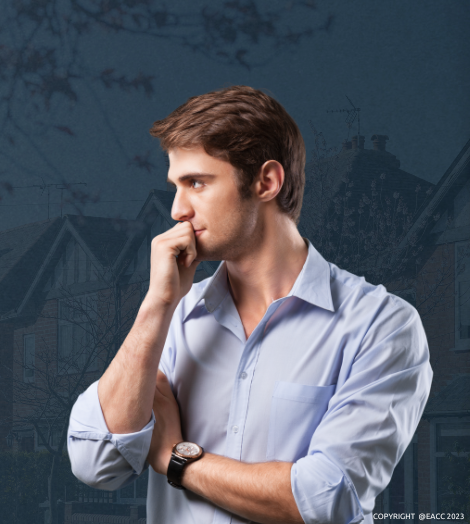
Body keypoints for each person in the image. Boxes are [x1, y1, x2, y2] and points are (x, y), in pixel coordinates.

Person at [66, 85, 432, 524]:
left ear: (266, 182)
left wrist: (177, 460)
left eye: (197, 183)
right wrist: (157, 304)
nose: (177, 210)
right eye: (175, 186)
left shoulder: (381, 326)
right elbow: (95, 463)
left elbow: (324, 499)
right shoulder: (175, 319)